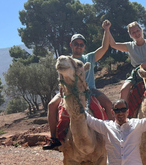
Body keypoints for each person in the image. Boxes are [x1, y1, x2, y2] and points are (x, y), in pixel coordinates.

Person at [43, 20, 115, 150]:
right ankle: (54, 138)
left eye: (81, 44)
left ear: (84, 47)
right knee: (51, 105)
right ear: (71, 45)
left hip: (90, 90)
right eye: (76, 44)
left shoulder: (89, 58)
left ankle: (112, 135)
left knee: (108, 104)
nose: (79, 46)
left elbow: (104, 48)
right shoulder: (67, 60)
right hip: (68, 91)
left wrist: (106, 30)